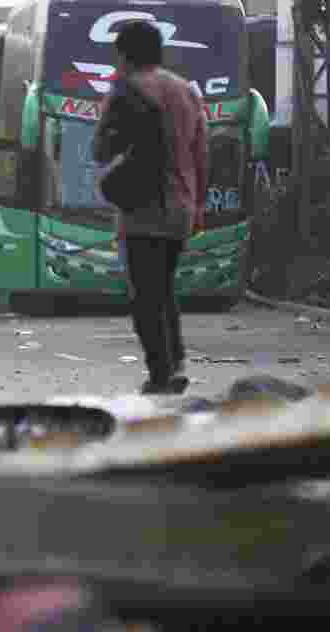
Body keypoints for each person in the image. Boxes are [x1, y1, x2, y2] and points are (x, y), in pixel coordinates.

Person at [93, 20, 208, 395]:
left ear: (125, 55)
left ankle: (161, 372)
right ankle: (175, 364)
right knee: (163, 288)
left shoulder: (127, 90)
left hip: (142, 209)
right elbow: (201, 152)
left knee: (145, 295)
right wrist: (199, 203)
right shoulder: (186, 91)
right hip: (181, 207)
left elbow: (101, 149)